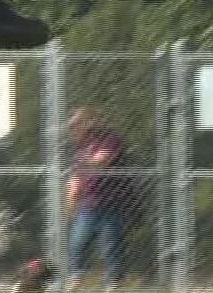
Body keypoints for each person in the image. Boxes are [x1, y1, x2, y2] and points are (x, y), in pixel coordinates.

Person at [67, 107, 133, 291]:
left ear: (93, 120)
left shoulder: (110, 139)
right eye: (75, 125)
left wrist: (82, 162)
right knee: (77, 242)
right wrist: (71, 196)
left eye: (80, 122)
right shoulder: (80, 145)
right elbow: (75, 175)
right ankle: (76, 275)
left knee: (110, 245)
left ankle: (114, 281)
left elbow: (103, 161)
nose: (77, 127)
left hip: (110, 201)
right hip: (87, 203)